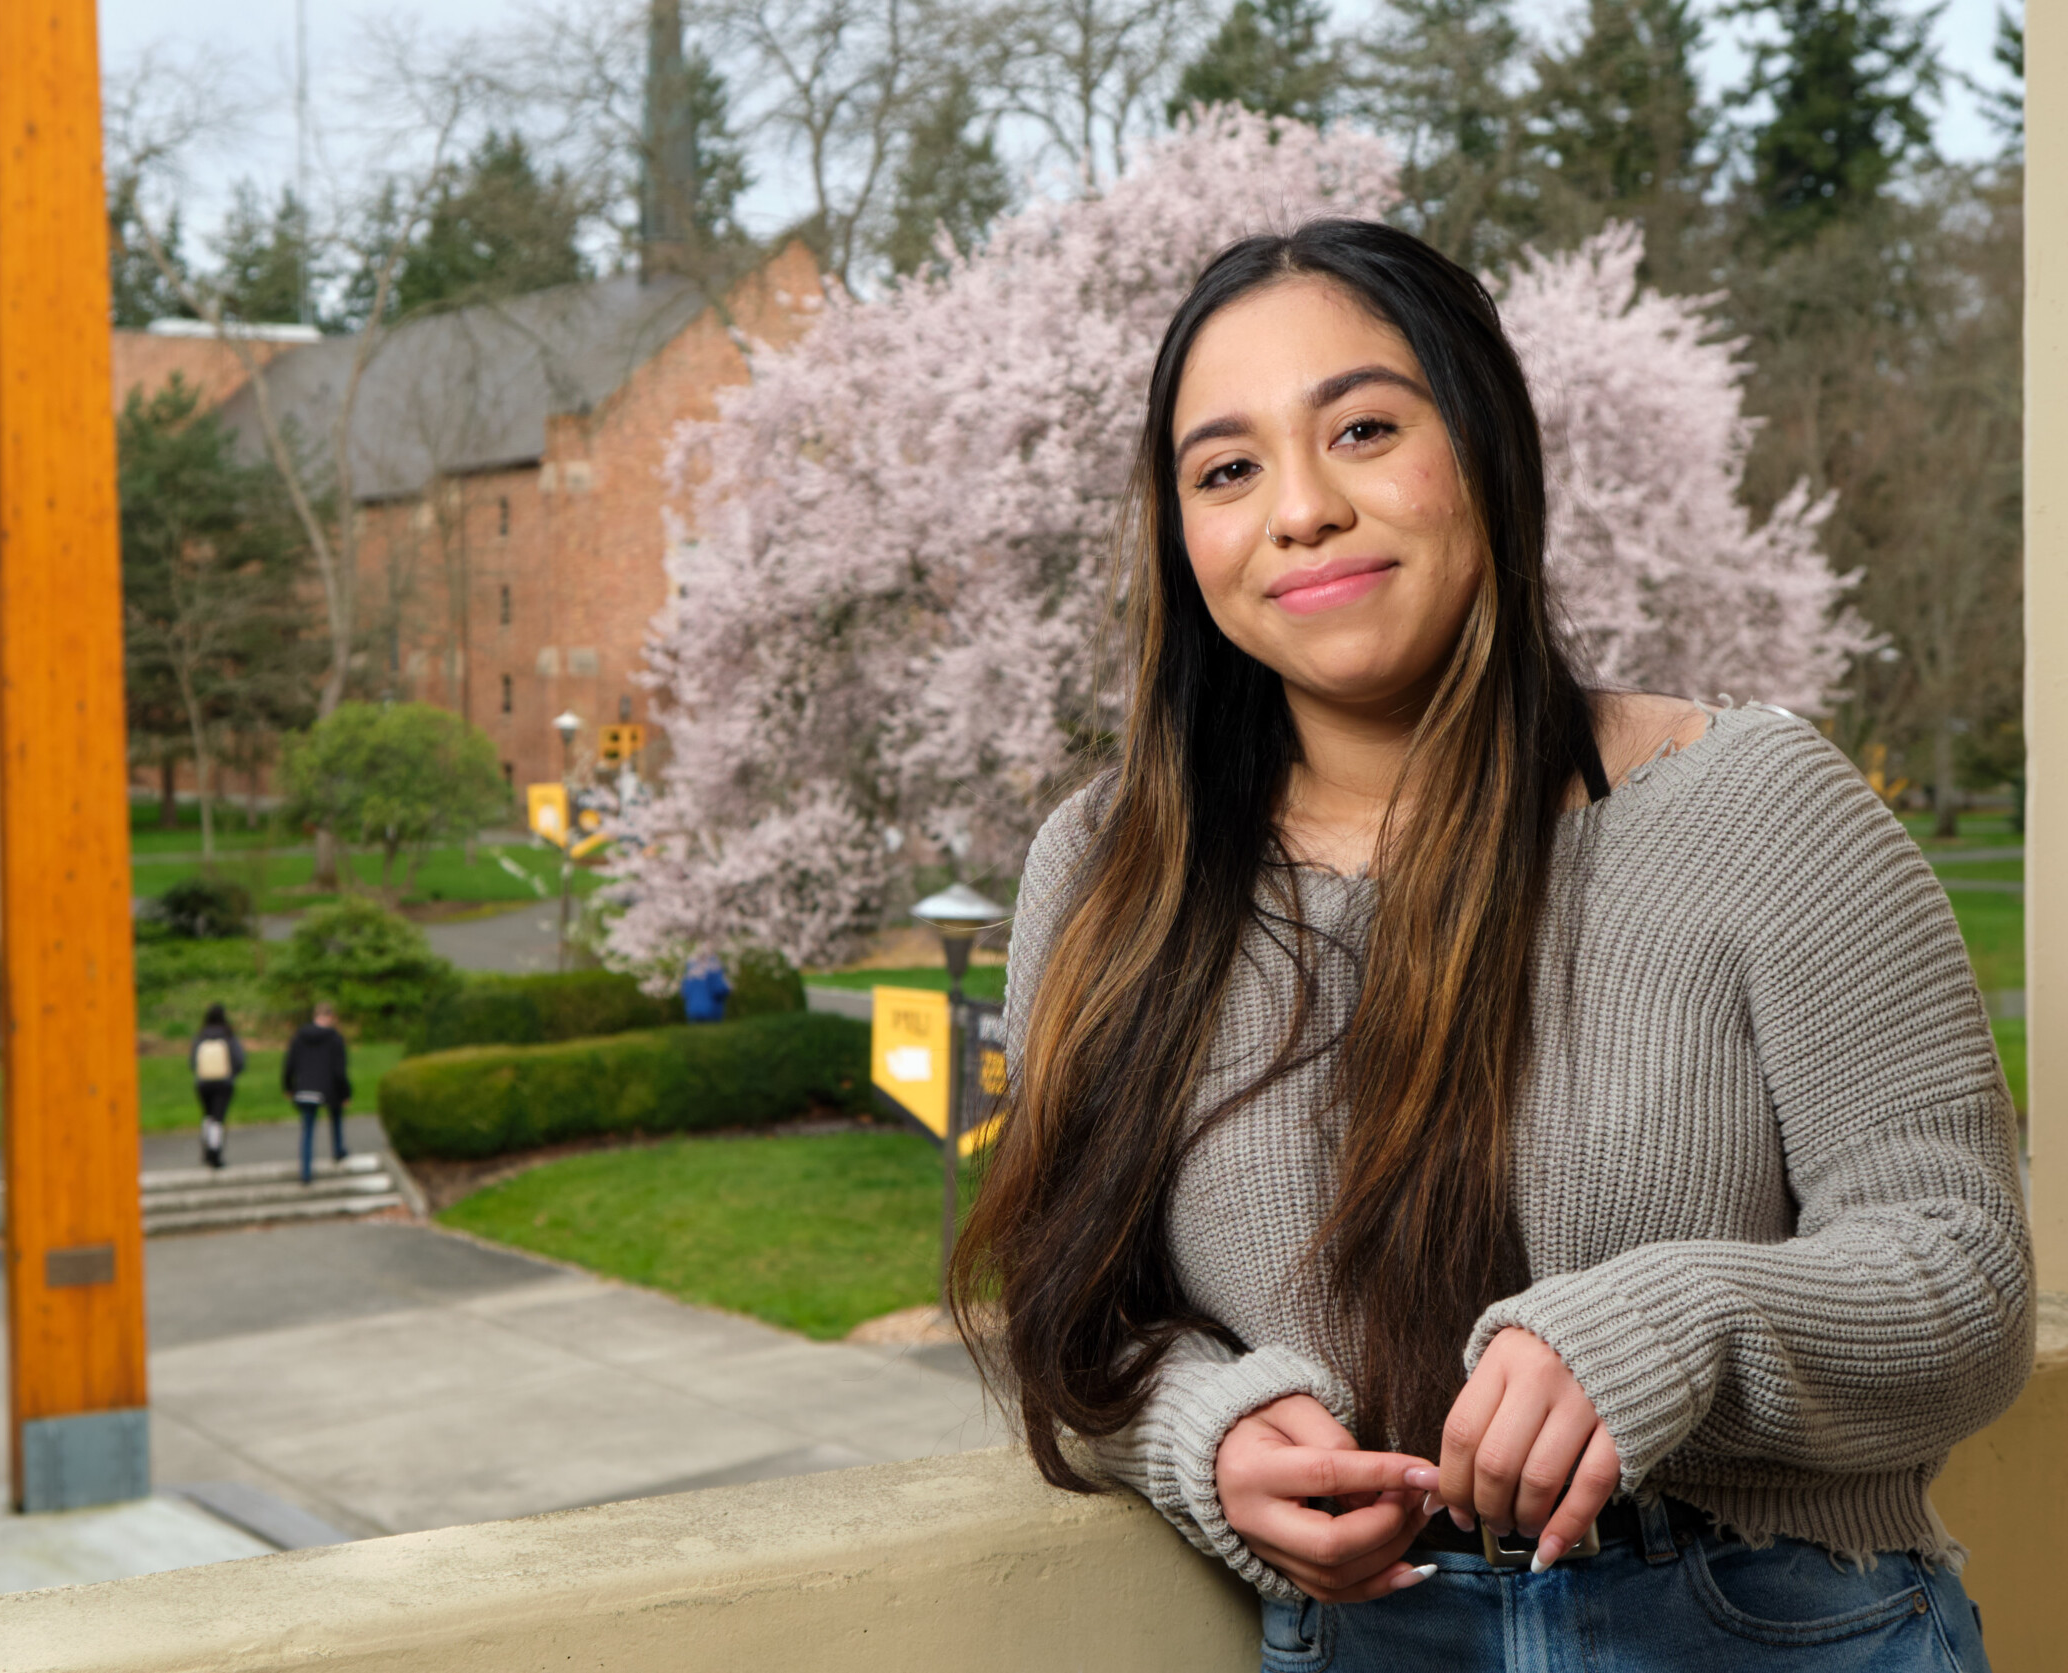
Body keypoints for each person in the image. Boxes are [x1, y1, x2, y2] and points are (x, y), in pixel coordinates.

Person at [955, 220, 2028, 1672]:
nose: (1304, 508)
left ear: (1488, 445)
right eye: (1228, 469)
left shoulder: (1763, 807)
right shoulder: (1106, 875)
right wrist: (1200, 1435)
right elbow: (1074, 1320)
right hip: (1364, 1640)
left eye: (1365, 428)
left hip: (1778, 1622)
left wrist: (1671, 1324)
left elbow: (1964, 1280)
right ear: (1180, 536)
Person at [281, 1002, 352, 1185]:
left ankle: (306, 1172)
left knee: (308, 1129)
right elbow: (339, 1071)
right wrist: (345, 1093)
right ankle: (337, 1150)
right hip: (328, 1089)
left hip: (304, 1088)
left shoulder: (299, 1037)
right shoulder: (335, 1038)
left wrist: (288, 1087)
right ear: (331, 1017)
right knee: (335, 1115)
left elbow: (289, 1065)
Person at [189, 1002, 246, 1169]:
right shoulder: (228, 1036)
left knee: (207, 1115)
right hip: (223, 1082)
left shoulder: (200, 1036)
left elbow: (193, 1062)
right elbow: (239, 1060)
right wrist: (232, 1073)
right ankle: (215, 1152)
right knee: (218, 1117)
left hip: (203, 1082)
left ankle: (206, 1148)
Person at [679, 951, 731, 1023]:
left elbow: (684, 992)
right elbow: (720, 990)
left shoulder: (690, 972)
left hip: (693, 1011)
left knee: (696, 1033)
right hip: (712, 1011)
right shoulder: (714, 969)